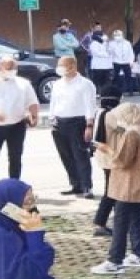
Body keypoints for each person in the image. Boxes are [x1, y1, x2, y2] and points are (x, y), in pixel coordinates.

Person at [90, 103, 140, 274]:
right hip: (138, 182)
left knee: (121, 221)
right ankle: (139, 254)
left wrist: (106, 148)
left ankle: (115, 260)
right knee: (135, 216)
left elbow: (122, 160)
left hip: (128, 184)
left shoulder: (132, 133)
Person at [0, 56, 40, 195]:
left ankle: (14, 185)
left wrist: (34, 116)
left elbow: (32, 102)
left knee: (15, 157)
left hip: (17, 124)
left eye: (14, 68)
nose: (12, 70)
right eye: (9, 68)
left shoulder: (23, 84)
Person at [48, 56, 97, 198]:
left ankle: (87, 186)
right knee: (66, 156)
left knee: (80, 155)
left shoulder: (85, 84)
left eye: (63, 65)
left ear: (73, 66)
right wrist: (52, 119)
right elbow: (53, 103)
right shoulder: (57, 84)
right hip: (59, 123)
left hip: (78, 123)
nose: (60, 68)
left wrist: (89, 125)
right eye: (59, 65)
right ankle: (76, 185)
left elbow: (90, 106)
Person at [89, 87, 123, 237]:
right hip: (111, 157)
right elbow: (124, 130)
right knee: (111, 192)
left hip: (103, 157)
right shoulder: (110, 115)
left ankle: (113, 221)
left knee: (112, 190)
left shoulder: (99, 112)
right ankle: (100, 223)